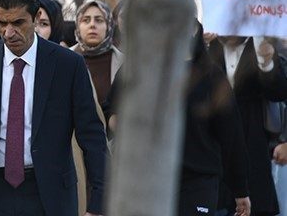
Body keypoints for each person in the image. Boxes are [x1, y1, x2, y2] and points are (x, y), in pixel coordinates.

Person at [0, 0, 108, 216]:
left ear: (35, 18)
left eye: (18, 22)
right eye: (1, 22)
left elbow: (92, 135)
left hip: (49, 194)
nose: (8, 32)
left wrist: (98, 204)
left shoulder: (68, 65)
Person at [106, 22, 251, 216]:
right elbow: (112, 111)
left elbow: (231, 135)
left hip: (197, 181)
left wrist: (241, 190)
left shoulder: (211, 75)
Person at [208, 34, 287, 216]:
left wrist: (266, 61)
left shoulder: (262, 42)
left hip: (253, 145)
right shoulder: (210, 45)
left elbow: (279, 90)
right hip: (215, 151)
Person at [71, 0, 124, 110]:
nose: (92, 25)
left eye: (99, 20)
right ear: (78, 26)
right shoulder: (64, 59)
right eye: (86, 20)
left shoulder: (124, 62)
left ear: (109, 25)